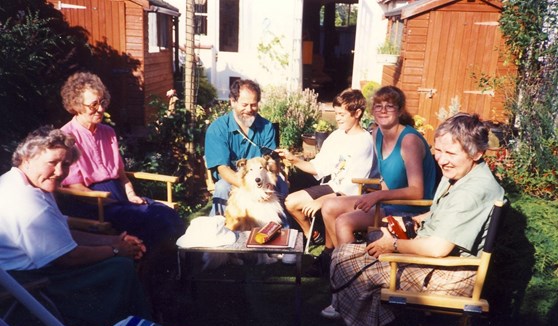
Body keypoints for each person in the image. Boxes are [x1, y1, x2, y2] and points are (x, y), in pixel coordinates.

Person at [323, 113, 505, 326]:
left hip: (452, 273)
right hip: (436, 259)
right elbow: (443, 210)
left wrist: (393, 246)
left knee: (356, 268)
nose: (441, 159)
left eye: (450, 153)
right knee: (345, 255)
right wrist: (417, 219)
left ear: (476, 154)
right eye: (438, 150)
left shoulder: (474, 190)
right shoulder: (461, 174)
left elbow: (437, 248)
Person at [0, 127, 150, 326]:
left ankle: (131, 325)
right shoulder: (27, 201)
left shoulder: (24, 182)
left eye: (66, 164)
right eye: (52, 163)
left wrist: (115, 241)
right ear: (27, 159)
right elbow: (68, 257)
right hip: (30, 283)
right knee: (120, 267)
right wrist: (117, 250)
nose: (60, 172)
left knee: (116, 256)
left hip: (32, 269)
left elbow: (60, 233)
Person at [318, 85, 437, 315]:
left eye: (389, 106)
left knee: (344, 222)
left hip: (412, 210)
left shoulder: (409, 140)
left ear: (400, 110)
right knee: (329, 205)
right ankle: (340, 279)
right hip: (389, 202)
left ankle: (351, 290)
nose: (383, 110)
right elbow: (386, 178)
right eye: (378, 106)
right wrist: (374, 193)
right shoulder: (377, 134)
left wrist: (377, 195)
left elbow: (416, 191)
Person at [57, 72, 185, 283]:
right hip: (92, 202)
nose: (101, 108)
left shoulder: (107, 132)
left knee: (167, 215)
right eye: (93, 104)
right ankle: (150, 275)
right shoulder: (67, 136)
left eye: (102, 101)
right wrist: (111, 200)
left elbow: (121, 175)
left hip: (118, 197)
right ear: (76, 104)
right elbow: (76, 188)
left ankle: (165, 272)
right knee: (152, 220)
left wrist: (131, 195)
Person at [277, 89, 374, 260]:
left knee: (329, 207)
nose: (337, 118)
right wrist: (293, 160)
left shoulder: (365, 142)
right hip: (334, 186)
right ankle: (314, 236)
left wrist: (322, 200)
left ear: (357, 113)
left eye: (342, 114)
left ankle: (332, 256)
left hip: (353, 195)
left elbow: (353, 187)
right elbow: (318, 167)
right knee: (291, 202)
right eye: (336, 113)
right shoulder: (337, 135)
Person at [205, 78, 288, 217]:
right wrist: (250, 189)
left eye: (253, 105)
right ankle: (219, 229)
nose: (249, 110)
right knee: (221, 188)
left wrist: (269, 184)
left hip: (263, 176)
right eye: (244, 105)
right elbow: (223, 169)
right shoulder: (217, 129)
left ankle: (282, 232)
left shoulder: (267, 127)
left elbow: (272, 162)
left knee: (281, 187)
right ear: (232, 101)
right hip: (232, 179)